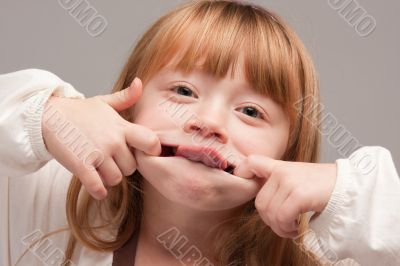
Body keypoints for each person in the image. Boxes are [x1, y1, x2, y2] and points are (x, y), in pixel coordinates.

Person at [0, 1, 399, 265]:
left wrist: (346, 197)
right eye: (183, 92)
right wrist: (46, 115)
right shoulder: (50, 201)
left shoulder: (328, 255)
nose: (208, 122)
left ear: (289, 154)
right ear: (130, 106)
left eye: (250, 111)